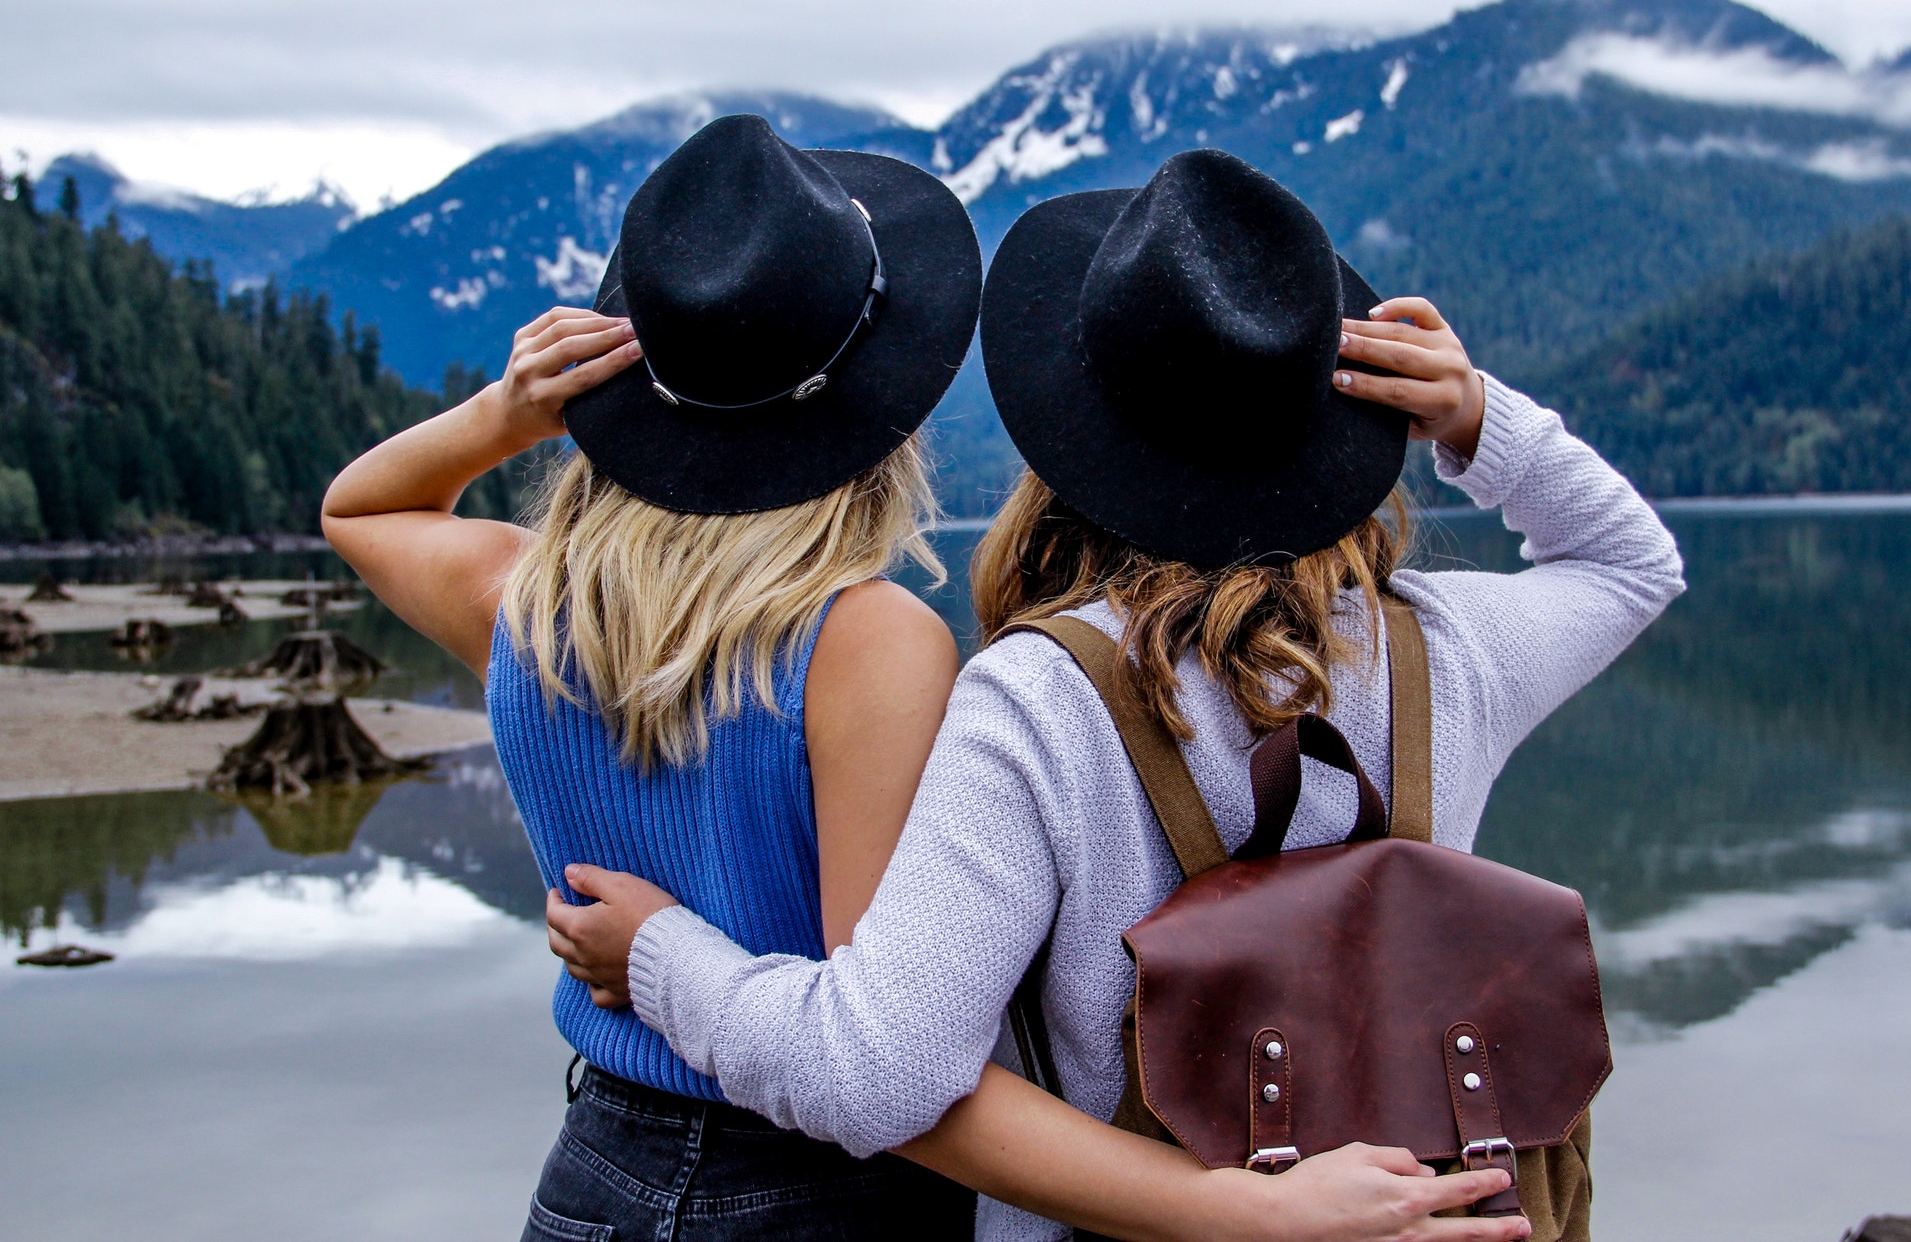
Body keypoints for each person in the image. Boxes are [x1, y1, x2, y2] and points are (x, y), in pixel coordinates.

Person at [325, 121, 1516, 1242]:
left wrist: (509, 413)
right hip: (824, 1193)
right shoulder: (865, 643)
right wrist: (1234, 1209)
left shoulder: (524, 603)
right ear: (875, 411)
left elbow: (361, 509)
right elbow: (886, 1073)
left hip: (597, 1165)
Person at [549, 149, 1687, 1240]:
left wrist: (662, 956)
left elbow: (873, 1077)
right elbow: (1631, 563)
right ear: (1327, 418)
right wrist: (1475, 413)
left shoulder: (1038, 699)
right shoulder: (1448, 648)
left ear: (1073, 431)